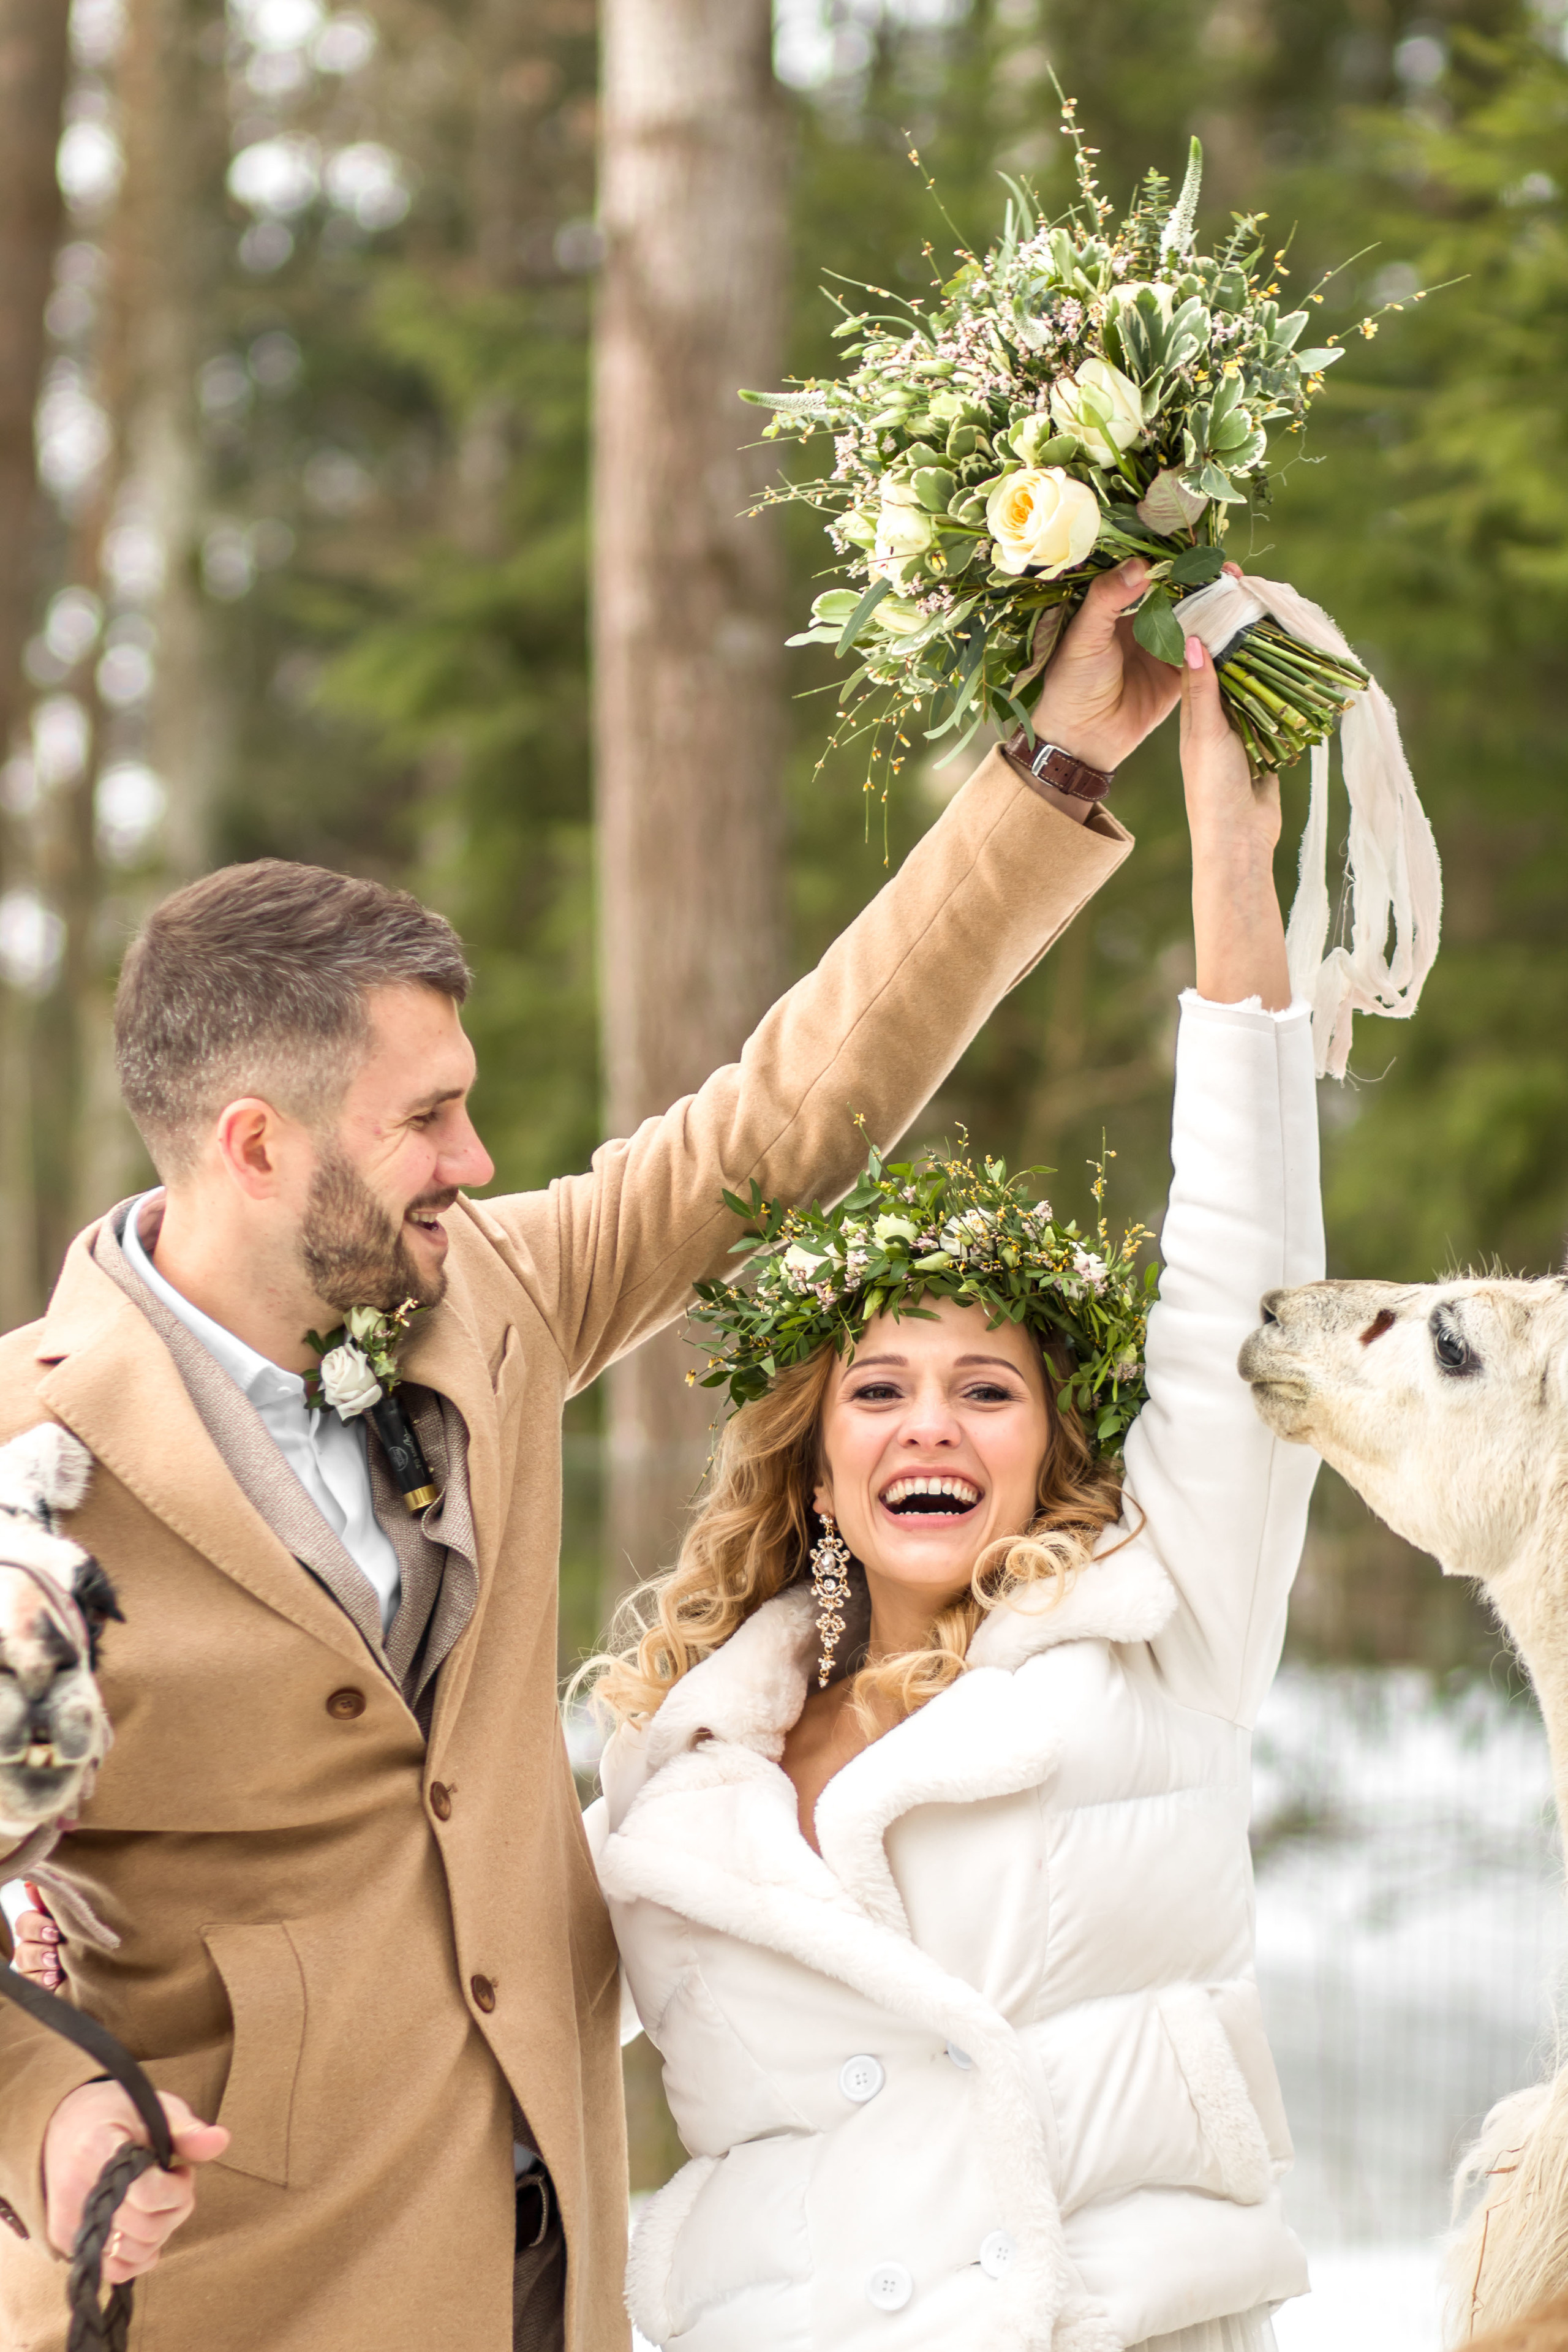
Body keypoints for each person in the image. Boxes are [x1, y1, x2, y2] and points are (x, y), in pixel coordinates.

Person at [0, 558, 1170, 2352]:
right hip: (230, 2290)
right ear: (254, 1145)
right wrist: (49, 2119)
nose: (476, 1161)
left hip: (553, 2273)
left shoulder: (492, 1300)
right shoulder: (32, 1458)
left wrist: (1056, 767)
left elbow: (784, 1118)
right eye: (427, 1119)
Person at [583, 634, 1324, 2352]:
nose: (933, 1428)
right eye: (881, 1391)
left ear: (1051, 1445)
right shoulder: (674, 1759)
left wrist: (1231, 848)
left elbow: (1242, 1272)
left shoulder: (1160, 1627)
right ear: (815, 1455)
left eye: (988, 1391)